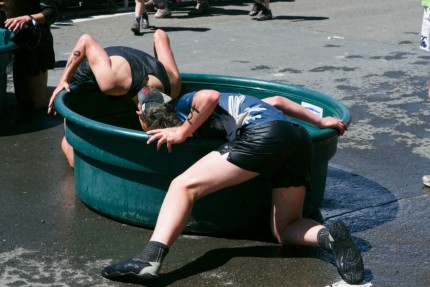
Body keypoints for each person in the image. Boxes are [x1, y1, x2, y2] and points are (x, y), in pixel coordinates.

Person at [101, 89, 365, 285]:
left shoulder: (184, 104)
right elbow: (279, 102)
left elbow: (209, 96)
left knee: (182, 186)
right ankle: (330, 238)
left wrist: (181, 132)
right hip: (298, 138)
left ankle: (148, 260)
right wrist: (320, 122)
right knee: (284, 228)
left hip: (263, 134)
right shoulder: (231, 103)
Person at [47, 29, 181, 168]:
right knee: (75, 161)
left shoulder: (173, 84)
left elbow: (160, 35)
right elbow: (86, 40)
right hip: (93, 72)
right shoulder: (111, 82)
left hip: (123, 68)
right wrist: (64, 80)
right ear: (139, 114)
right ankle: (67, 142)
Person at [0, 0, 58, 110]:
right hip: (18, 42)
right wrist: (5, 6)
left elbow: (52, 13)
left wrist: (28, 18)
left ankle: (70, 98)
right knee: (23, 101)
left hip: (36, 43)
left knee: (38, 103)